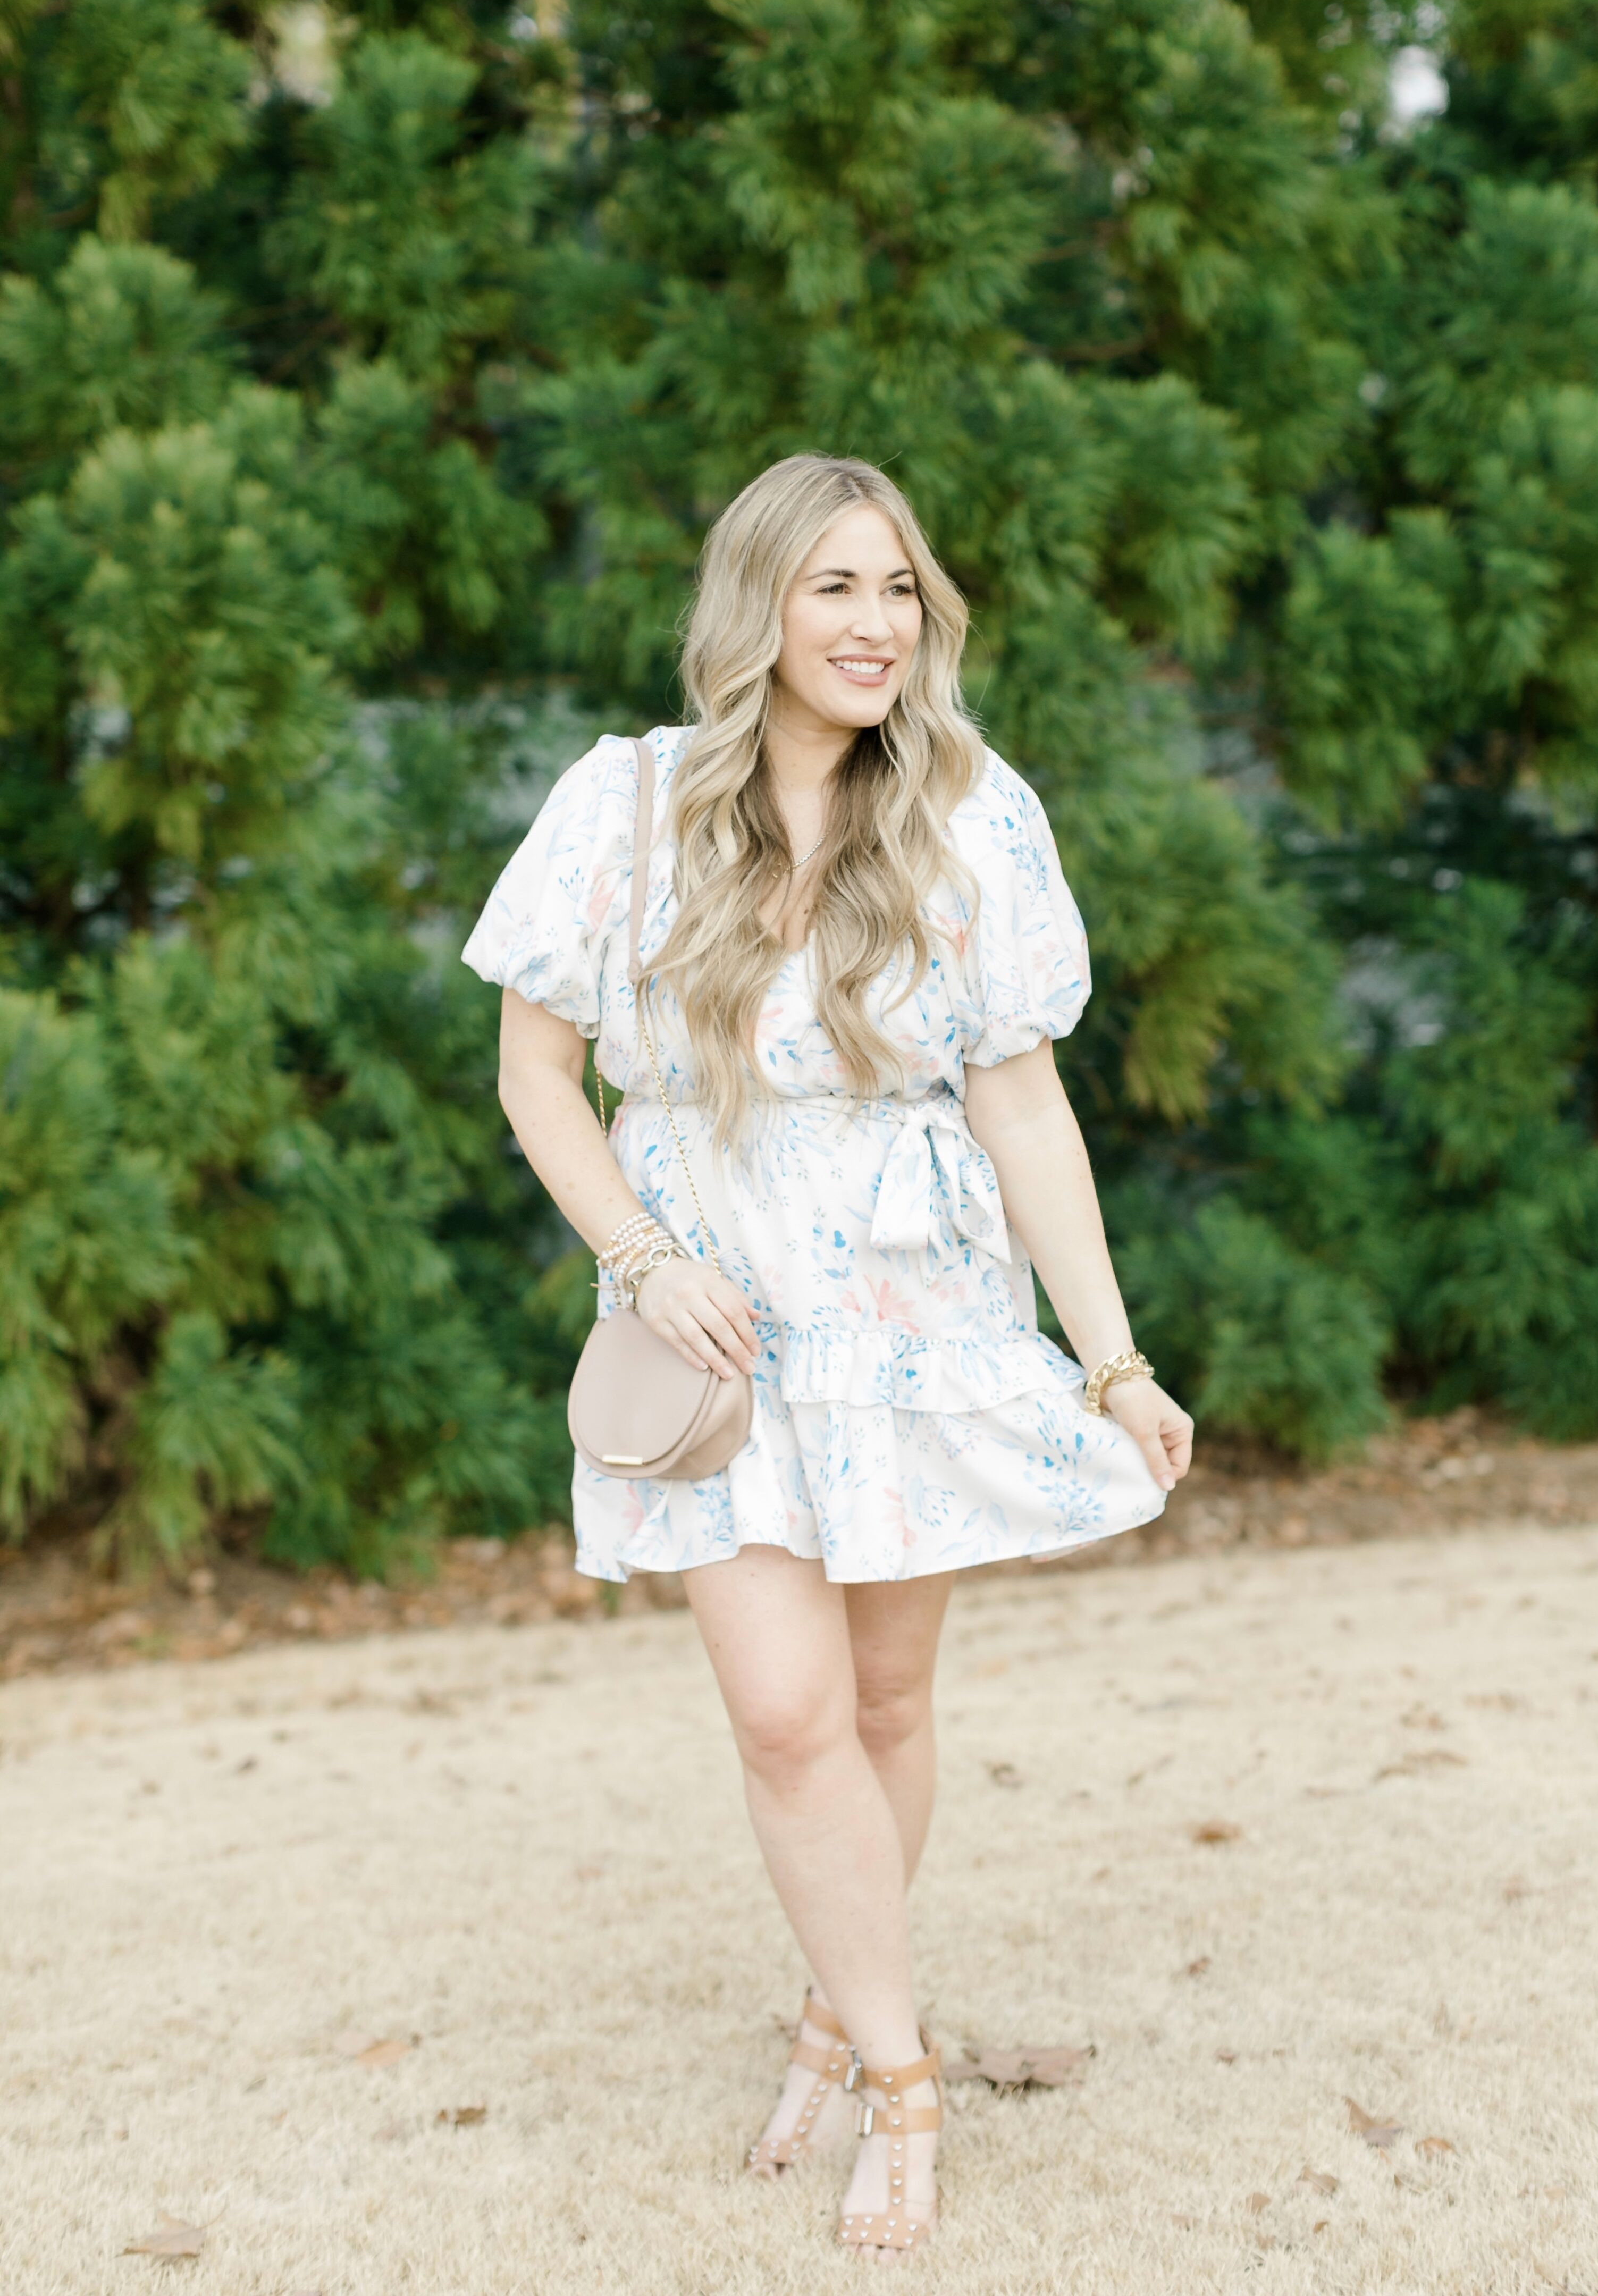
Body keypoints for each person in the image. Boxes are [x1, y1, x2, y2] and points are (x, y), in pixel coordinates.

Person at [465, 453, 1192, 2259]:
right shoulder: (625, 803)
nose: (876, 625)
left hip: (912, 1312)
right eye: (835, 590)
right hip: (711, 1314)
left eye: (899, 590)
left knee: (880, 1709)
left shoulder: (970, 809)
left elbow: (1026, 1111)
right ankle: (901, 2078)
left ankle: (827, 2007)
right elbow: (536, 1079)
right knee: (785, 1715)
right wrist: (639, 1259)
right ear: (758, 611)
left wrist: (1112, 1364)